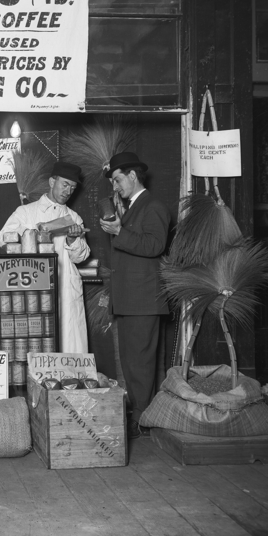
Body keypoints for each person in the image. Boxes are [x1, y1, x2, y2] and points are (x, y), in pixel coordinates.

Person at [98, 152, 172, 438]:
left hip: (144, 300)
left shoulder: (152, 206)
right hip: (132, 300)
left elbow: (154, 245)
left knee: (140, 363)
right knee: (133, 363)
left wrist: (119, 231)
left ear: (132, 175)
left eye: (117, 180)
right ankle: (142, 417)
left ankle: (144, 420)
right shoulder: (134, 207)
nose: (115, 186)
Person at [0, 161, 91, 352]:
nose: (68, 191)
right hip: (34, 285)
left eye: (72, 188)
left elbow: (81, 257)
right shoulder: (26, 212)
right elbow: (3, 238)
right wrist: (37, 231)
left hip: (66, 286)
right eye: (65, 184)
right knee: (37, 341)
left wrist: (73, 239)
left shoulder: (75, 218)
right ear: (51, 181)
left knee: (68, 343)